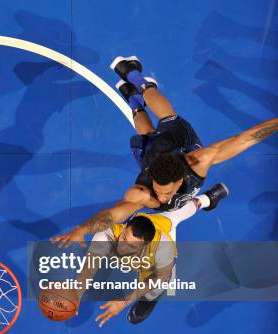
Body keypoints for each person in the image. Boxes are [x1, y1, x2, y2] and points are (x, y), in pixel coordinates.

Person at [51, 56, 277, 248]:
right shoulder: (144, 193)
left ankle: (137, 82)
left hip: (177, 140)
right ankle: (135, 91)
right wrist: (83, 229)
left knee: (166, 120)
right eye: (158, 192)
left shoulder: (199, 160)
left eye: (165, 193)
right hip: (154, 154)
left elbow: (247, 138)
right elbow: (114, 215)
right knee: (151, 133)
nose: (160, 198)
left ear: (179, 181)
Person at [67, 184, 227, 327]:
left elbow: (158, 278)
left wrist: (124, 302)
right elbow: (88, 269)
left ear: (144, 245)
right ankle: (208, 200)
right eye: (124, 238)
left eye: (131, 245)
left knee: (163, 282)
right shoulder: (106, 236)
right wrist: (76, 294)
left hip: (162, 239)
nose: (123, 246)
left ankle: (208, 198)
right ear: (123, 229)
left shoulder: (162, 248)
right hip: (148, 222)